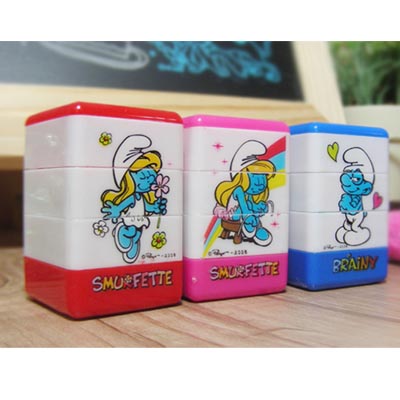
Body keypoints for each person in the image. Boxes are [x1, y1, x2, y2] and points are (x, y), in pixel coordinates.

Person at [101, 135, 167, 263]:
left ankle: (134, 244)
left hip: (140, 224)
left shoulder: (144, 197)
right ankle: (121, 232)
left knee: (137, 234)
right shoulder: (132, 198)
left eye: (152, 178)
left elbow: (148, 207)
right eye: (143, 177)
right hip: (128, 223)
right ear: (129, 178)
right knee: (130, 231)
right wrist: (116, 210)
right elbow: (122, 205)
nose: (149, 181)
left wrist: (156, 207)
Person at [214, 140, 275, 246]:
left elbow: (249, 205)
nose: (260, 182)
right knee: (247, 209)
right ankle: (249, 223)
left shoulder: (250, 195)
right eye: (254, 176)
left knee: (252, 208)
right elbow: (243, 206)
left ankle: (257, 228)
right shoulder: (238, 190)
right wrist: (248, 213)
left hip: (246, 215)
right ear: (242, 177)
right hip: (234, 214)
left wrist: (260, 207)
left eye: (263, 176)